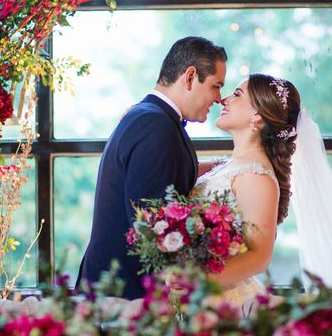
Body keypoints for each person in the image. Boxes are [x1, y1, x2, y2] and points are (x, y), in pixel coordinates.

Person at [195, 73, 332, 306]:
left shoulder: (256, 176)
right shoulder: (228, 165)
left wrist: (197, 279)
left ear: (257, 117)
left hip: (222, 303)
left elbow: (259, 258)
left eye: (237, 94)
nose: (224, 99)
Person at [76, 36, 227, 299]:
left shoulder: (152, 118)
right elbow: (151, 222)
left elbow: (166, 174)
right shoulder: (155, 126)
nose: (219, 98)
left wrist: (220, 168)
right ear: (190, 77)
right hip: (122, 296)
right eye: (216, 86)